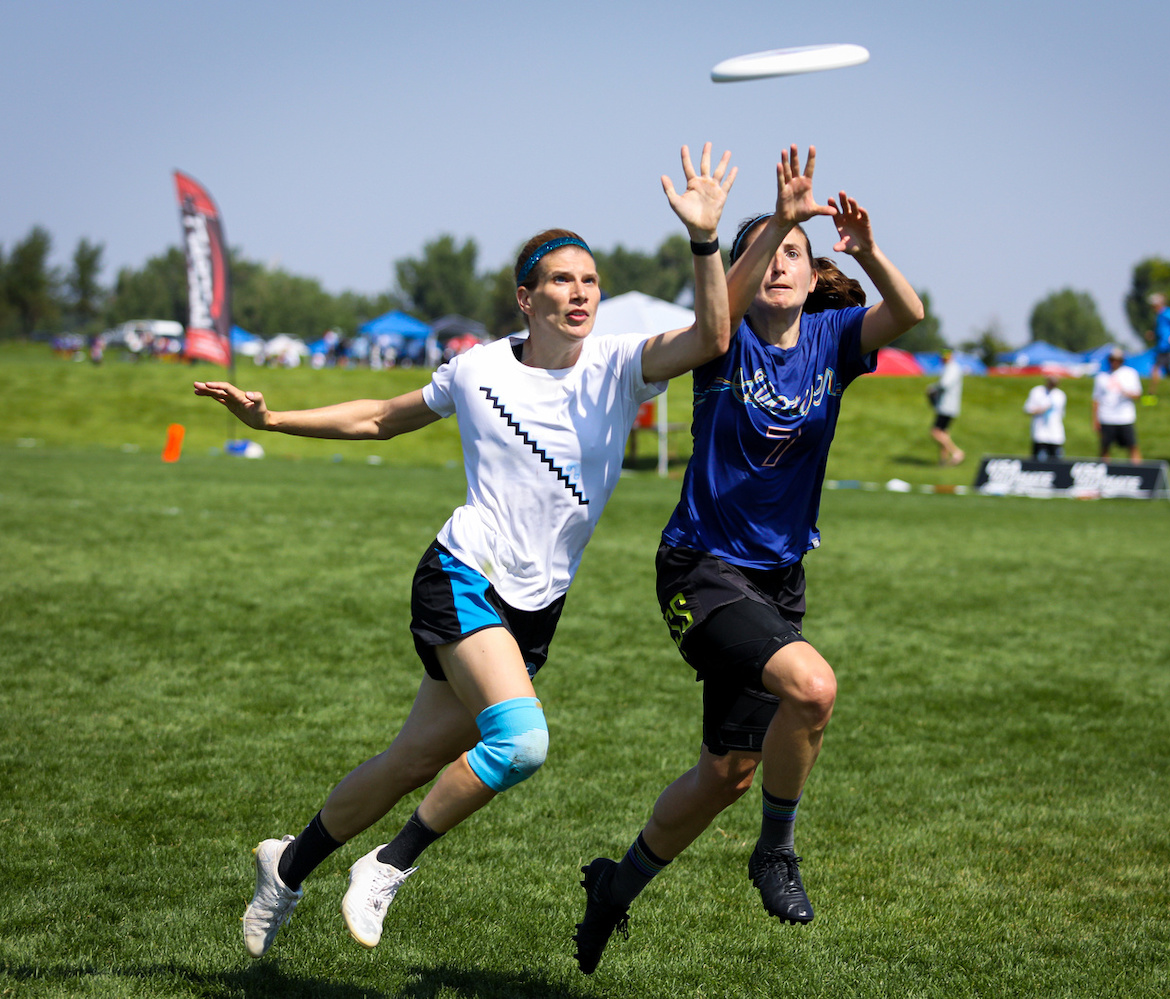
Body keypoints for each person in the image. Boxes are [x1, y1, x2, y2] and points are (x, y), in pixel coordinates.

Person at [194, 144, 737, 959]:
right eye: (561, 279)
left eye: (589, 280)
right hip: (461, 573)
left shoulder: (623, 365)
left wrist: (705, 240)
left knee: (415, 756)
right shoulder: (476, 370)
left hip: (535, 603)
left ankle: (289, 863)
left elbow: (712, 335)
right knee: (521, 741)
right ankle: (389, 863)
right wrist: (272, 422)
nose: (580, 292)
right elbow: (381, 413)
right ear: (527, 297)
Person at [572, 146, 926, 974]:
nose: (780, 263)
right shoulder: (720, 345)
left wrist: (864, 248)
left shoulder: (837, 338)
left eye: (795, 253)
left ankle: (613, 889)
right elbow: (717, 317)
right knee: (814, 686)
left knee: (728, 770)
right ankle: (776, 852)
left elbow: (907, 312)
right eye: (764, 251)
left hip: (776, 579)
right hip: (699, 569)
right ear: (747, 268)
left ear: (813, 276)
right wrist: (775, 224)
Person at [1092, 346, 1142, 463]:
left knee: (1132, 446)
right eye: (1112, 359)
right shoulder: (1101, 377)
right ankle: (1104, 473)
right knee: (1105, 448)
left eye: (1117, 360)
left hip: (1125, 417)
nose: (1114, 362)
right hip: (1106, 417)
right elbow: (1096, 399)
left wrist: (1127, 393)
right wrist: (1095, 419)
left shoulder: (1130, 374)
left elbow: (1138, 395)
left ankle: (1139, 472)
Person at [930, 348, 966, 466]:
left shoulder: (952, 368)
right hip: (946, 405)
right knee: (944, 433)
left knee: (935, 432)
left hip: (947, 406)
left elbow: (944, 384)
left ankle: (957, 452)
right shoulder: (949, 367)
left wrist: (932, 388)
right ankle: (943, 461)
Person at [1145, 292, 1170, 395]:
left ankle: (1151, 395)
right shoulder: (1159, 315)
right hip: (1161, 346)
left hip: (1166, 347)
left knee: (1156, 369)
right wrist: (1153, 335)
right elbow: (1161, 331)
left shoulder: (1168, 312)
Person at [1023, 373, 1067, 460]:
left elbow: (1061, 414)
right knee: (1039, 459)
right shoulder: (1037, 391)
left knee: (1056, 460)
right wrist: (1040, 410)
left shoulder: (1060, 395)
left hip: (1056, 434)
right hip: (1040, 433)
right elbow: (1027, 409)